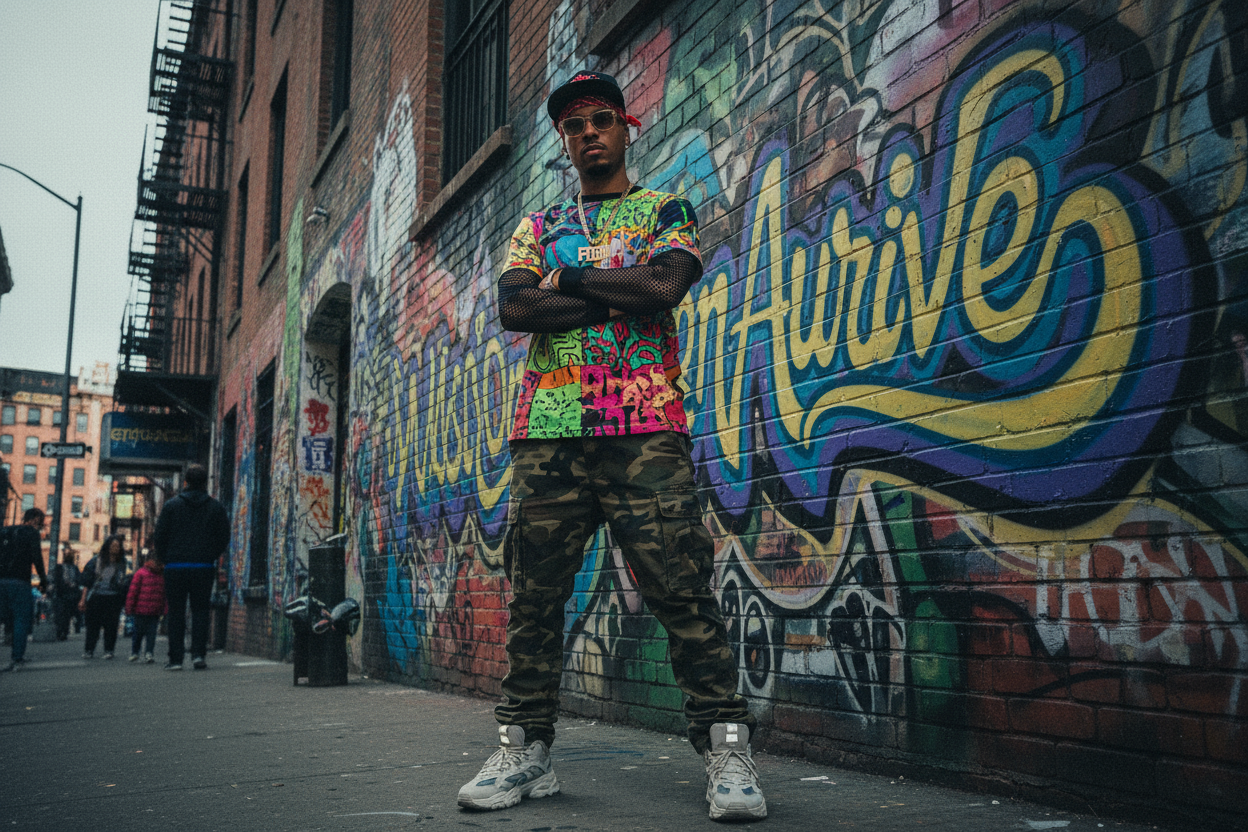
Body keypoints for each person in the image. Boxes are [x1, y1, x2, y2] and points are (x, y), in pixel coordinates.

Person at [456, 72, 766, 821]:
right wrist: (611, 286)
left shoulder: (665, 209)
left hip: (645, 427)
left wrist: (572, 278)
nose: (588, 132)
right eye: (574, 126)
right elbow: (515, 306)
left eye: (601, 119)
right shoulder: (537, 222)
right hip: (548, 432)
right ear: (564, 142)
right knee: (535, 600)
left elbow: (662, 288)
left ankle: (727, 752)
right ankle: (524, 749)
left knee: (682, 592)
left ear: (626, 127)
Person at [152, 463, 230, 671]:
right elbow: (224, 536)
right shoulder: (215, 507)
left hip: (175, 567)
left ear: (185, 481)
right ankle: (198, 655)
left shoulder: (171, 506)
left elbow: (159, 536)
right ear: (205, 482)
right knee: (201, 611)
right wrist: (210, 556)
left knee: (176, 612)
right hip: (203, 567)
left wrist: (165, 558)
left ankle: (176, 659)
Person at [0, 508, 49, 671]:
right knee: (21, 619)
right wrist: (43, 580)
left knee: (5, 618)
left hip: (2, 580)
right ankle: (17, 658)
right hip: (20, 581)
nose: (42, 525)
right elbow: (37, 558)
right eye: (41, 520)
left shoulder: (6, 531)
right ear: (35, 519)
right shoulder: (31, 533)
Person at [79, 534, 130, 659]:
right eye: (113, 546)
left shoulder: (122, 562)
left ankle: (109, 650)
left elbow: (125, 580)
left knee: (111, 626)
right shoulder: (96, 561)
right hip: (96, 596)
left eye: (117, 546)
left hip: (113, 598)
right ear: (107, 546)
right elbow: (87, 581)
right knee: (93, 626)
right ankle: (89, 650)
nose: (115, 548)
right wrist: (83, 600)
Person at [124, 558, 167, 663]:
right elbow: (133, 591)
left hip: (146, 610)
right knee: (142, 633)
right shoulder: (158, 574)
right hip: (145, 610)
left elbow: (133, 591)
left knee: (146, 634)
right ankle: (142, 652)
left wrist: (130, 607)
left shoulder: (142, 573)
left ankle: (141, 652)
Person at [51, 547, 81, 640]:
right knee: (60, 614)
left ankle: (64, 631)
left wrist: (74, 585)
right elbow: (56, 580)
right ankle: (60, 631)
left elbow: (79, 580)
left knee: (67, 615)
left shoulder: (75, 568)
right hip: (61, 594)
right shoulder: (59, 567)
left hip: (71, 595)